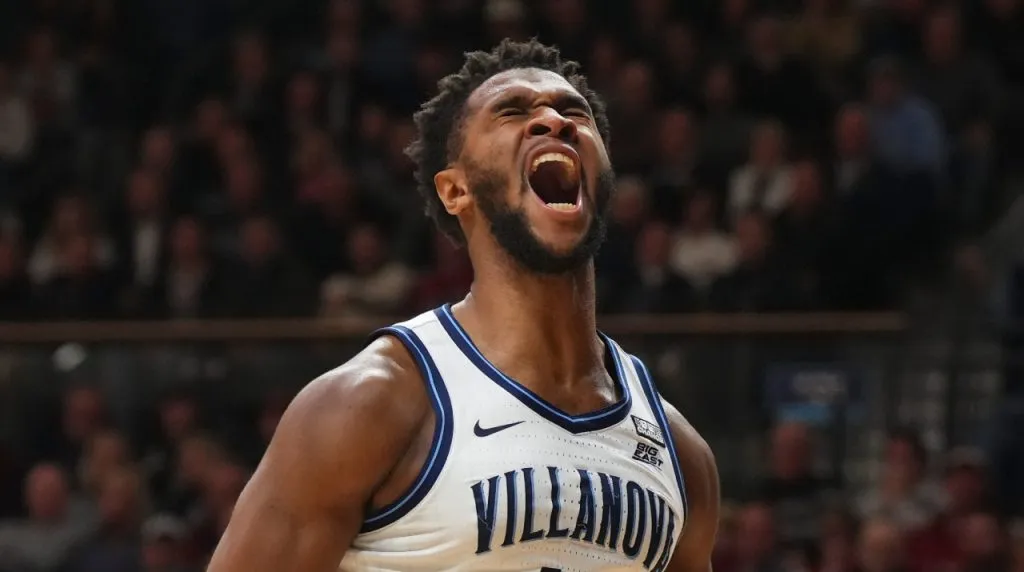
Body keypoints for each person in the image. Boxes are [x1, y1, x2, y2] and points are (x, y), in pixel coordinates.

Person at [207, 39, 720, 572]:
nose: (553, 120)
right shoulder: (372, 404)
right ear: (456, 191)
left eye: (574, 111)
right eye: (512, 111)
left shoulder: (679, 452)